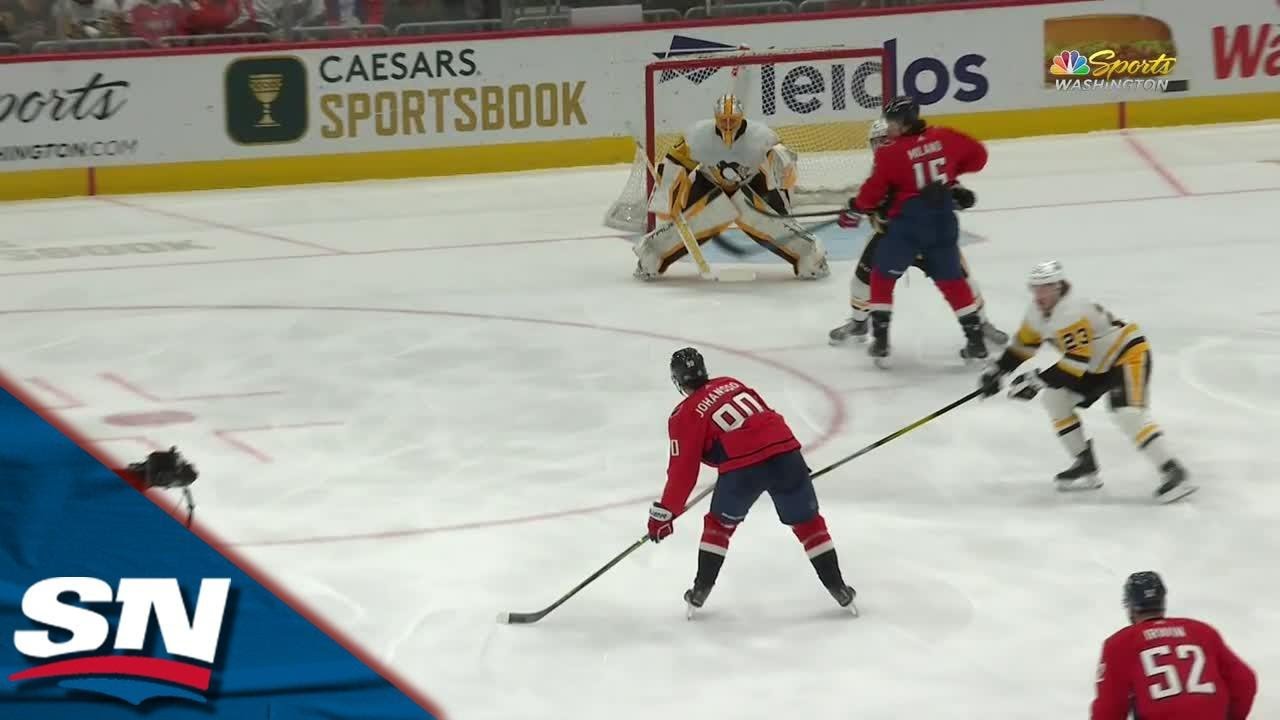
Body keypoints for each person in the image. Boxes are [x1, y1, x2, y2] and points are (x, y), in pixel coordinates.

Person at [647, 347, 856, 618]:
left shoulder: (684, 415)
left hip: (742, 468)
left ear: (677, 381)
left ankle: (700, 591)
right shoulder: (731, 383)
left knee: (719, 526)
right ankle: (838, 587)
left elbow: (682, 472)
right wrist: (794, 461)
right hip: (785, 453)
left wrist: (665, 513)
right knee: (808, 523)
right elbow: (765, 416)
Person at [978, 260, 1195, 503]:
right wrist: (998, 371)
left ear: (1058, 287)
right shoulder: (1037, 312)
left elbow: (1075, 364)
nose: (1040, 294)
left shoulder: (1070, 310)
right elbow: (1023, 346)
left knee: (1127, 413)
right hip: (1095, 364)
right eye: (1036, 288)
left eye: (1046, 287)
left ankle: (1174, 471)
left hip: (1126, 356)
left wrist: (1037, 379)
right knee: (1055, 398)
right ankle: (1085, 465)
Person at [830, 117, 1006, 347]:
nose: (881, 145)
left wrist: (958, 196)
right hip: (891, 239)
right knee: (861, 284)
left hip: (928, 237)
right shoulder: (884, 165)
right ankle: (859, 321)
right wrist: (854, 212)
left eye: (885, 139)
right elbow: (866, 202)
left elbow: (947, 187)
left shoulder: (909, 159)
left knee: (964, 283)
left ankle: (980, 324)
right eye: (877, 141)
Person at [849, 95, 990, 367]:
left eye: (890, 123)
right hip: (943, 226)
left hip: (907, 229)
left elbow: (871, 194)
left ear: (903, 123)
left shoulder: (891, 154)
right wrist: (950, 176)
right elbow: (979, 156)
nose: (887, 129)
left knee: (880, 278)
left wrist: (857, 206)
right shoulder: (945, 137)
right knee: (954, 282)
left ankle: (880, 341)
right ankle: (977, 342)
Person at [632, 94, 829, 280]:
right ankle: (652, 252)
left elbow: (784, 169)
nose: (727, 125)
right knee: (695, 220)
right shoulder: (698, 135)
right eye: (722, 119)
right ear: (715, 117)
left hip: (751, 182)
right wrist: (667, 196)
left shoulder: (762, 136)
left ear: (741, 117)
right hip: (709, 183)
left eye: (732, 120)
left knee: (765, 218)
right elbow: (674, 162)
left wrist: (783, 186)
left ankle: (809, 253)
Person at [1091, 571, 1256, 720]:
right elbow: (1245, 680)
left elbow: (1108, 710)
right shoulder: (1201, 631)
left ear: (1130, 606)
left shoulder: (1120, 643)